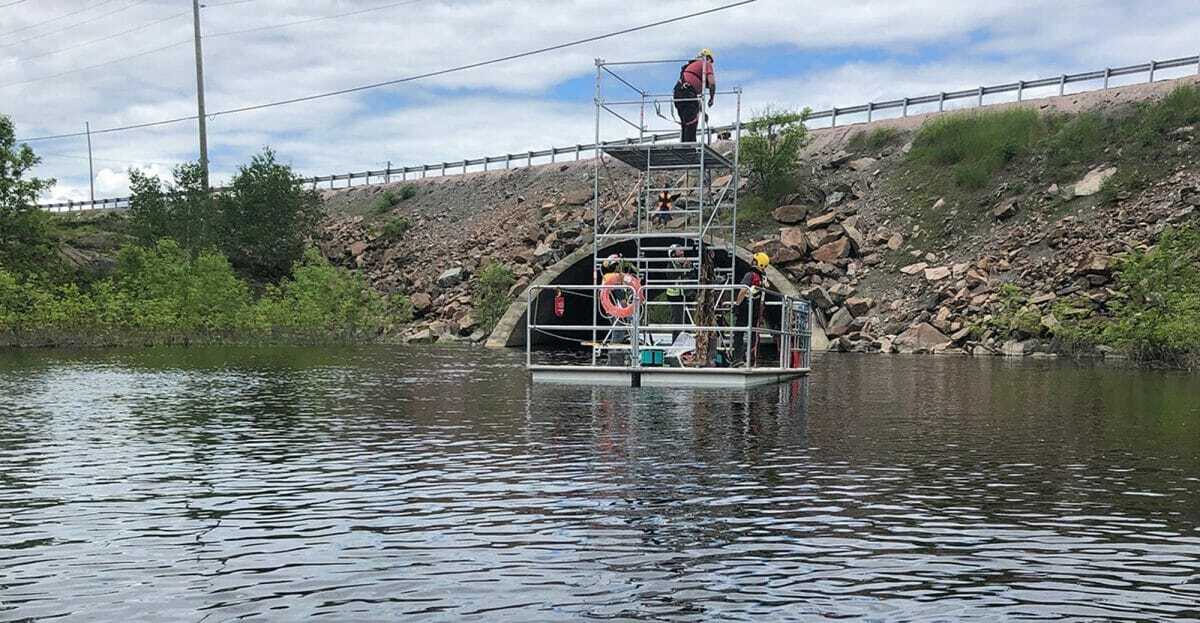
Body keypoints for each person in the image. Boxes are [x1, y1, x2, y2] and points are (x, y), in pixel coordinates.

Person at [731, 252, 769, 367]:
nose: (752, 262)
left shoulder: (750, 275)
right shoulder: (763, 279)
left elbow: (743, 290)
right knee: (753, 334)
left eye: (754, 260)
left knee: (738, 333)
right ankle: (751, 359)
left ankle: (738, 358)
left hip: (745, 308)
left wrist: (737, 305)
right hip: (756, 309)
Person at [674, 49, 716, 143]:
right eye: (711, 61)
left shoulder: (691, 67)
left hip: (679, 93)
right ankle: (689, 151)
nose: (711, 64)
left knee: (686, 124)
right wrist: (712, 98)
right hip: (687, 94)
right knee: (691, 124)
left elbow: (694, 98)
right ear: (707, 58)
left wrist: (703, 112)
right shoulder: (706, 64)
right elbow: (712, 83)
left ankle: (685, 148)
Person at [665, 244, 694, 340]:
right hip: (675, 296)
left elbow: (692, 276)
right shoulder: (671, 264)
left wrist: (689, 267)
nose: (682, 252)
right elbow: (671, 276)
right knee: (677, 321)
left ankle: (687, 344)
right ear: (673, 254)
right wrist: (683, 268)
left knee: (688, 320)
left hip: (686, 294)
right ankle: (675, 344)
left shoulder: (686, 262)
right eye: (679, 251)